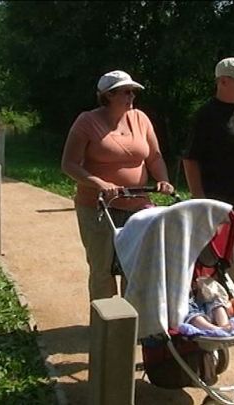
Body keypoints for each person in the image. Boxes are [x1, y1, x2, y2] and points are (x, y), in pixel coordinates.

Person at [61, 70, 175, 301]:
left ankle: (131, 323)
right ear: (109, 95)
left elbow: (154, 156)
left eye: (133, 92)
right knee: (102, 268)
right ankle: (105, 328)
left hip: (138, 207)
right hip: (98, 208)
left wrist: (163, 180)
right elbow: (69, 164)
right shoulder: (87, 121)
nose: (131, 96)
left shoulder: (140, 119)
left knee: (135, 266)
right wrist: (100, 183)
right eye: (125, 92)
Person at [183, 57, 234, 293]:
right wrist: (200, 201)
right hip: (217, 203)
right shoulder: (206, 116)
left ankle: (231, 313)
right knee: (212, 261)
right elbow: (190, 159)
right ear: (223, 82)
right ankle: (209, 314)